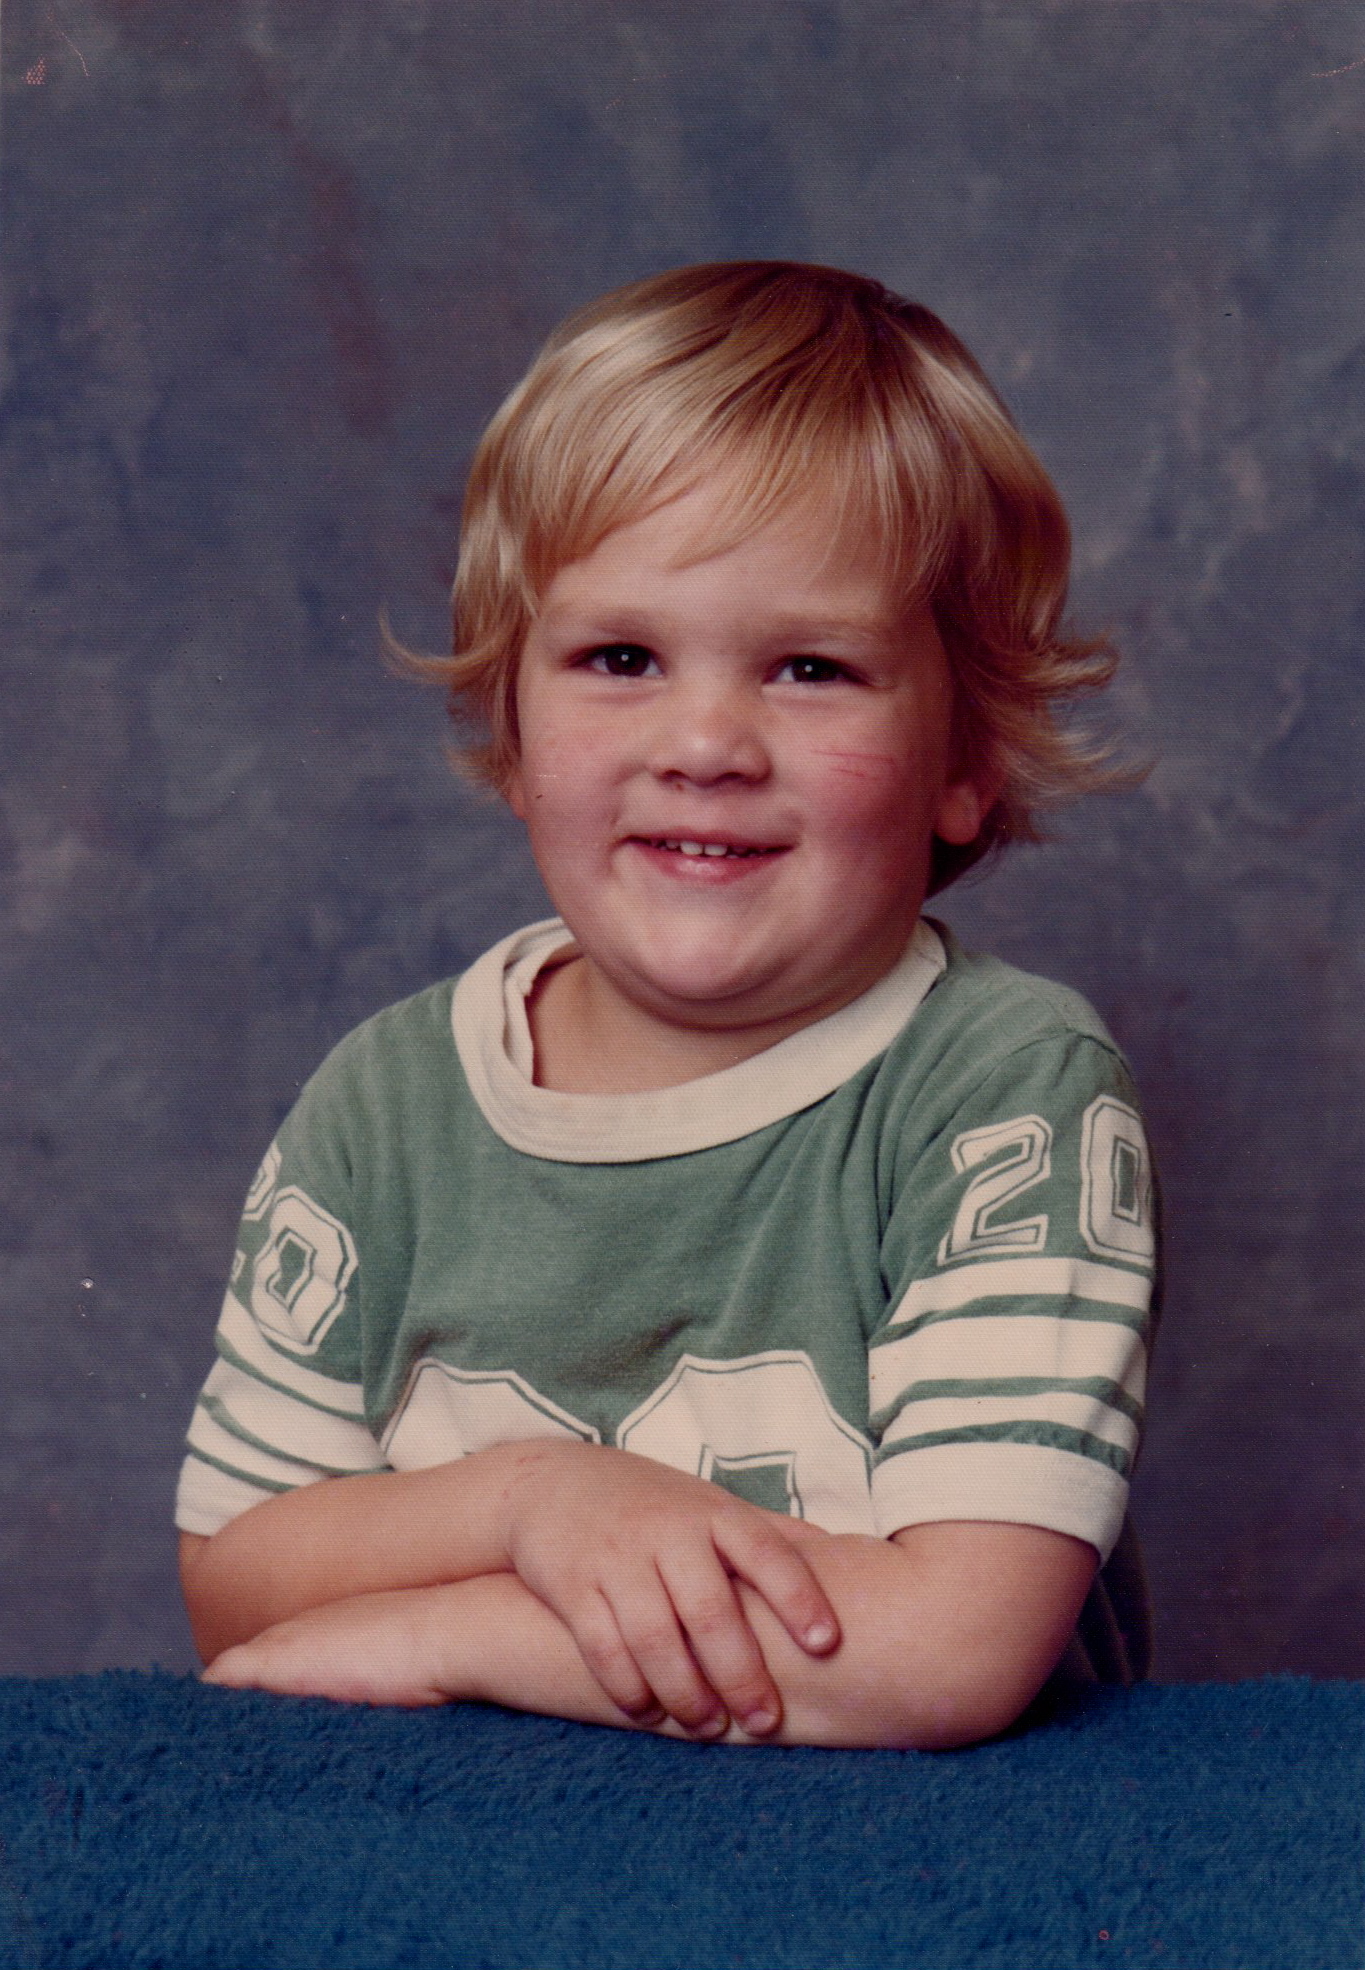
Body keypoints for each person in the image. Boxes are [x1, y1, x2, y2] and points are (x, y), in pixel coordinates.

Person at [176, 261, 1158, 1750]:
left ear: (967, 761)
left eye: (812, 668)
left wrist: (458, 1630)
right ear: (512, 730)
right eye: (620, 657)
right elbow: (237, 1589)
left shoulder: (1002, 1093)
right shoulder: (381, 1107)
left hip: (918, 1850)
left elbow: (949, 1653)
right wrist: (532, 1501)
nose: (704, 742)